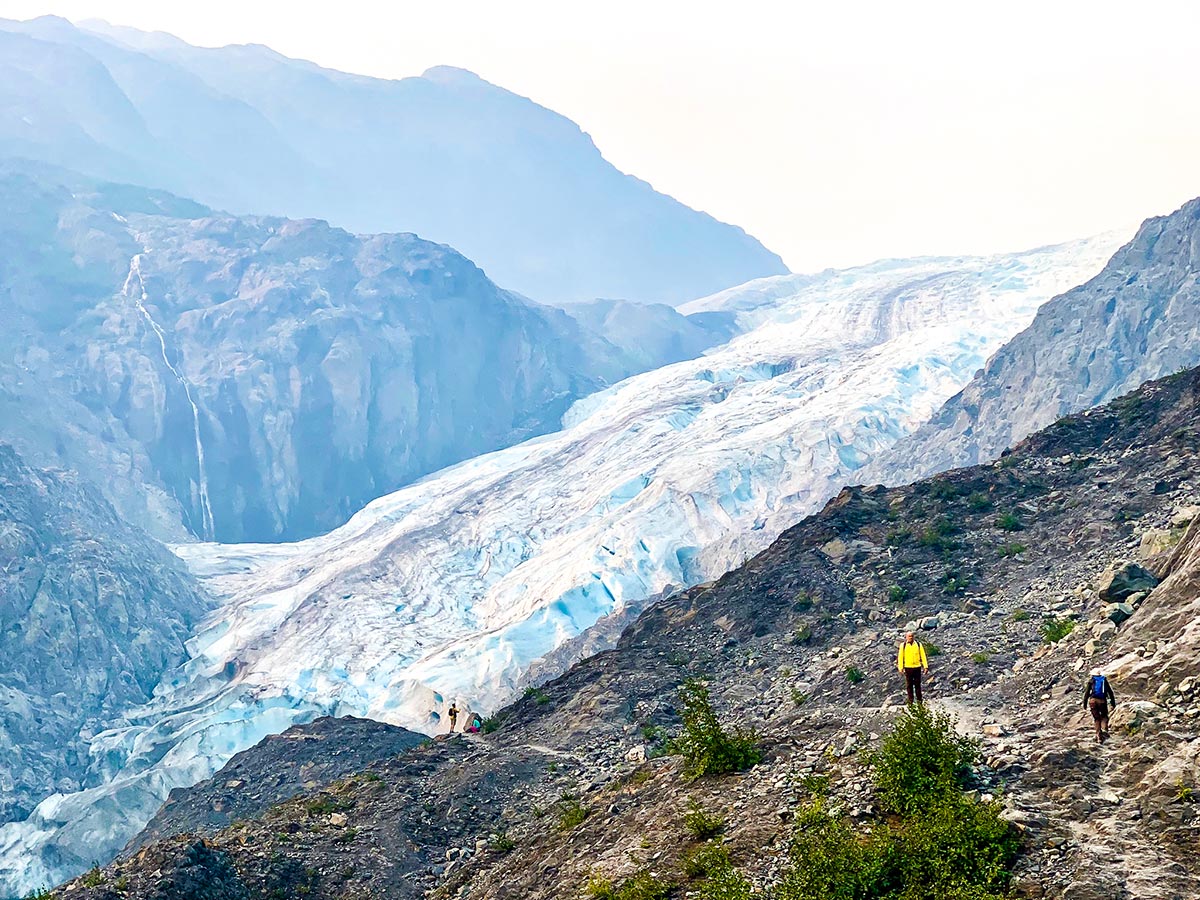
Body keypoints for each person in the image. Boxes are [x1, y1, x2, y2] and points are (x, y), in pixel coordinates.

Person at [1082, 669, 1116, 743]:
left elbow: (1087, 693)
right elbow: (1110, 692)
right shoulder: (1104, 680)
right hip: (1102, 701)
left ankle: (1098, 737)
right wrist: (1113, 704)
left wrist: (1084, 704)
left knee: (1096, 719)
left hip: (1093, 701)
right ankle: (1105, 733)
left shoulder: (1091, 681)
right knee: (1104, 716)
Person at [896, 631, 930, 704]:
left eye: (911, 636)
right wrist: (900, 667)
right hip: (908, 667)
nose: (910, 637)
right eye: (909, 636)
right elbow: (900, 657)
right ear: (906, 637)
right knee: (909, 685)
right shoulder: (903, 645)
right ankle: (910, 701)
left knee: (918, 685)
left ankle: (919, 701)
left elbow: (923, 656)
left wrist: (925, 666)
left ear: (913, 637)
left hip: (917, 667)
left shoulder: (918, 644)